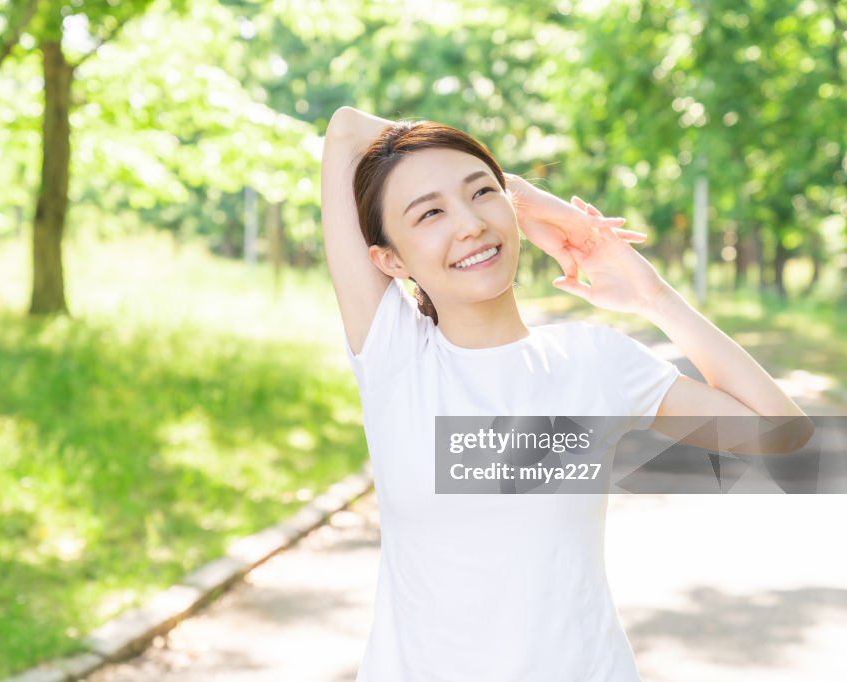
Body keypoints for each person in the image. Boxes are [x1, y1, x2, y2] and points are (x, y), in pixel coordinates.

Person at [321, 106, 812, 682]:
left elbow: (783, 441)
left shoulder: (593, 363)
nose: (470, 224)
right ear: (390, 259)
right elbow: (346, 130)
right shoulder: (396, 357)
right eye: (430, 212)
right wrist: (526, 197)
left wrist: (651, 295)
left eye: (481, 196)